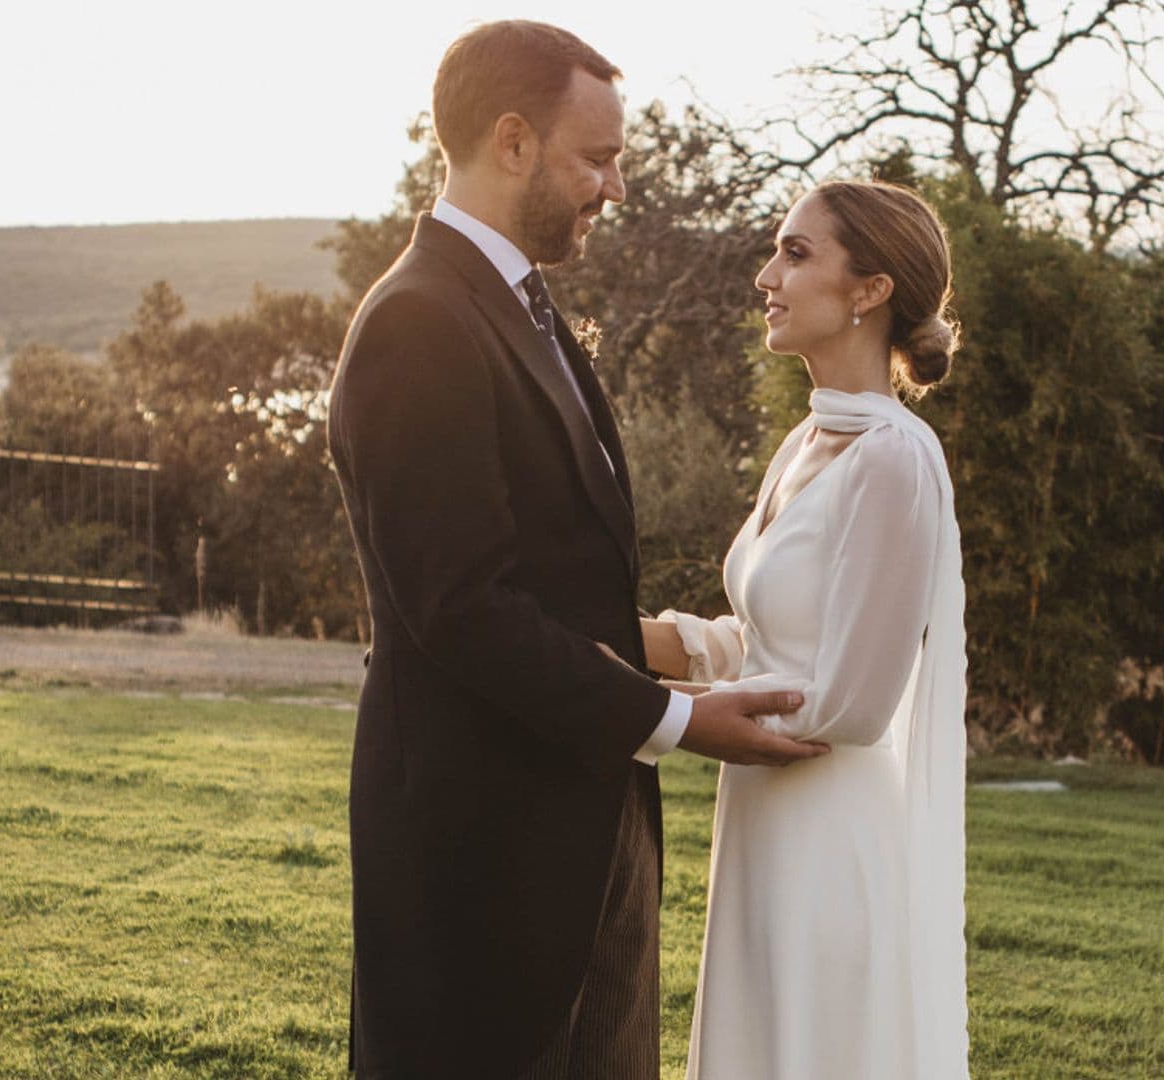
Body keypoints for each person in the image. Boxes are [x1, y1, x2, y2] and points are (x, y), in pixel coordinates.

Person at [325, 21, 824, 1079]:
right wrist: (676, 721)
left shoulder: (520, 305)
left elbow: (566, 577)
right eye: (596, 159)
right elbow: (463, 606)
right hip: (477, 849)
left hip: (587, 822)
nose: (615, 187)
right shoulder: (418, 321)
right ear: (512, 142)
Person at [645, 180, 970, 1080]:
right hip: (762, 823)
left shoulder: (896, 461)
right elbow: (765, 641)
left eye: (795, 254)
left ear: (869, 290)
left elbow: (853, 704)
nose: (766, 276)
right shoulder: (805, 442)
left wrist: (652, 705)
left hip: (829, 840)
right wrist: (622, 640)